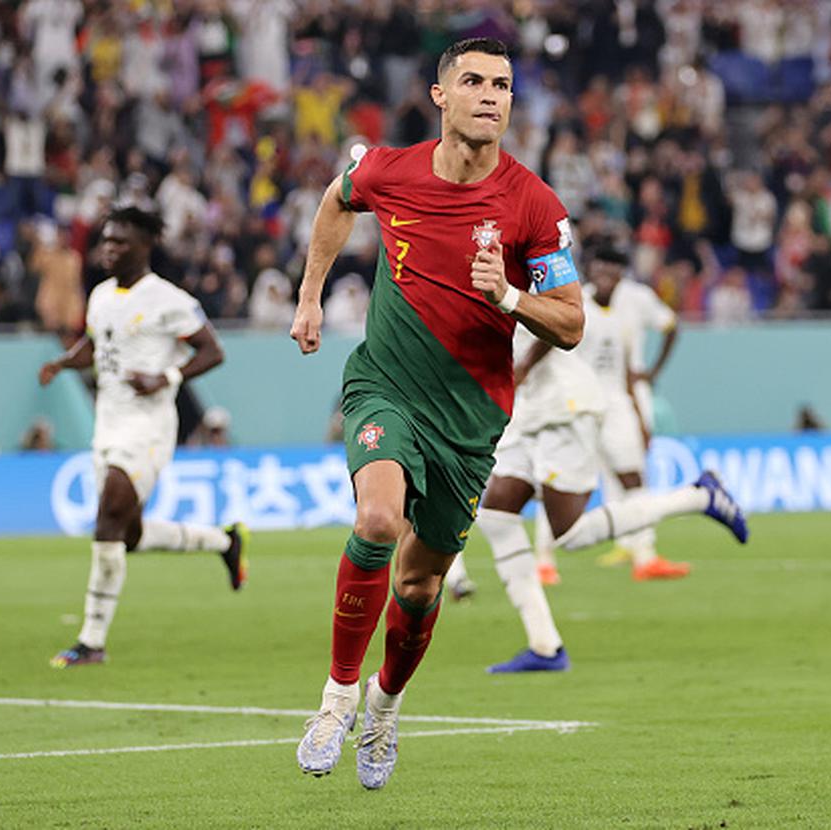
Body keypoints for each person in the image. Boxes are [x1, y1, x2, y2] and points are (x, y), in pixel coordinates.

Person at [289, 38, 584, 789]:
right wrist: (310, 293)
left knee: (419, 587)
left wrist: (509, 297)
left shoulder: (534, 205)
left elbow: (573, 323)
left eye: (504, 85)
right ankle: (336, 699)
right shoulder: (389, 168)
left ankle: (385, 707)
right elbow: (337, 198)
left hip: (470, 419)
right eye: (475, 82)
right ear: (440, 96)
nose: (492, 95)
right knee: (377, 521)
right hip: (385, 387)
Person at [38, 205, 249, 669]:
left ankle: (92, 641)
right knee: (126, 535)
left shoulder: (169, 299)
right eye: (106, 241)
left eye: (119, 242)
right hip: (108, 423)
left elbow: (213, 350)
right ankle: (224, 542)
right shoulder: (100, 296)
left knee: (108, 516)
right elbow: (97, 345)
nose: (108, 249)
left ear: (144, 246)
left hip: (149, 427)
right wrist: (64, 362)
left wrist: (167, 376)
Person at [475, 333, 747, 674]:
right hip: (527, 407)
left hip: (564, 405)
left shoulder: (530, 279)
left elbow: (561, 316)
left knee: (569, 534)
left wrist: (525, 363)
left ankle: (700, 496)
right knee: (496, 515)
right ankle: (544, 647)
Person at [534, 242, 690, 585]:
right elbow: (548, 350)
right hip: (576, 406)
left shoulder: (628, 306)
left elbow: (626, 369)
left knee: (632, 477)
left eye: (612, 268)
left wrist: (637, 411)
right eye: (599, 267)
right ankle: (543, 559)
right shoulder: (575, 304)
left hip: (616, 403)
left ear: (621, 273)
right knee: (559, 483)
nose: (605, 275)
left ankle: (645, 555)